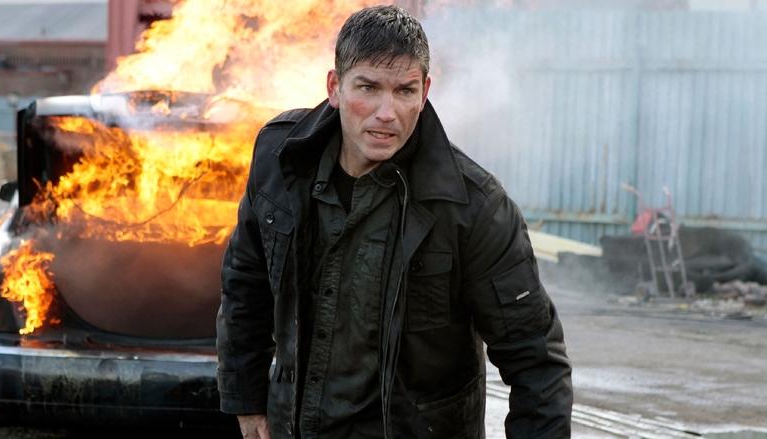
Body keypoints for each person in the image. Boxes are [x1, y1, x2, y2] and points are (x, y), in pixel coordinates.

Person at [217, 5, 573, 438]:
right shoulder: (281, 159)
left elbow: (536, 362)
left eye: (405, 91)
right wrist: (247, 400)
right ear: (335, 87)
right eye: (368, 87)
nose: (387, 112)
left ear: (424, 93)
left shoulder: (474, 207)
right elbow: (246, 285)